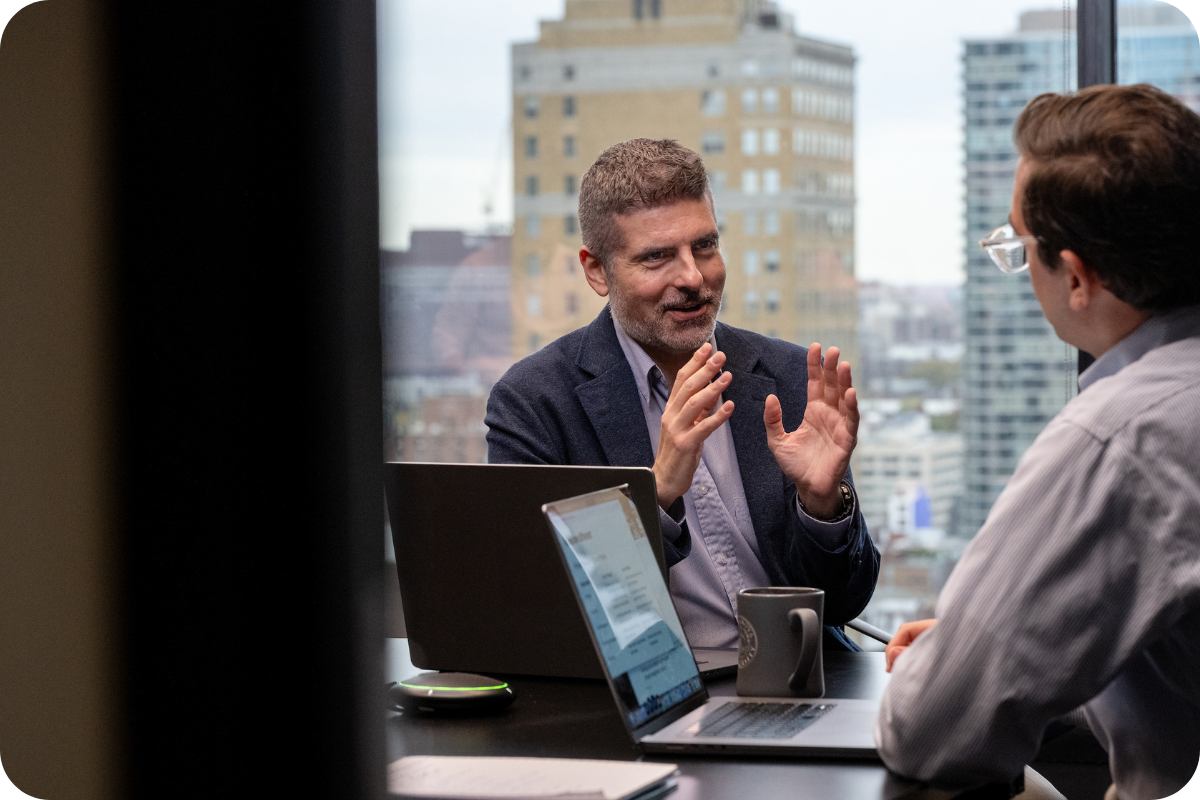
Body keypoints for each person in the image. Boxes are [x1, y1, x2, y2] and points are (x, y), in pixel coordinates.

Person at [876, 84, 1200, 800]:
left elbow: (930, 730)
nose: (1020, 268)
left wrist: (963, 663)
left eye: (1020, 246)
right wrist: (1023, 642)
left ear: (1077, 277)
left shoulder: (1123, 436)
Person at [485, 138, 879, 650]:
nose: (693, 278)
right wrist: (658, 491)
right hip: (644, 696)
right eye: (657, 257)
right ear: (596, 270)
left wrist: (823, 505)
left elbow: (845, 602)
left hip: (798, 683)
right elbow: (536, 605)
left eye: (706, 246)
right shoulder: (535, 402)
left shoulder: (788, 375)